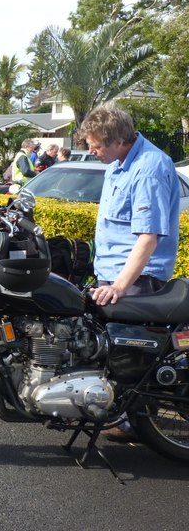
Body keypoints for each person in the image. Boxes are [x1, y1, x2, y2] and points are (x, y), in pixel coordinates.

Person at [82, 102, 180, 443]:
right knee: (111, 351)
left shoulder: (149, 168)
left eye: (95, 145)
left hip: (136, 278)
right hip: (114, 272)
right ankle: (118, 413)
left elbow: (148, 237)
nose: (91, 151)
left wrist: (120, 286)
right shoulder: (118, 163)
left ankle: (136, 423)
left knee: (132, 355)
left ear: (119, 140)